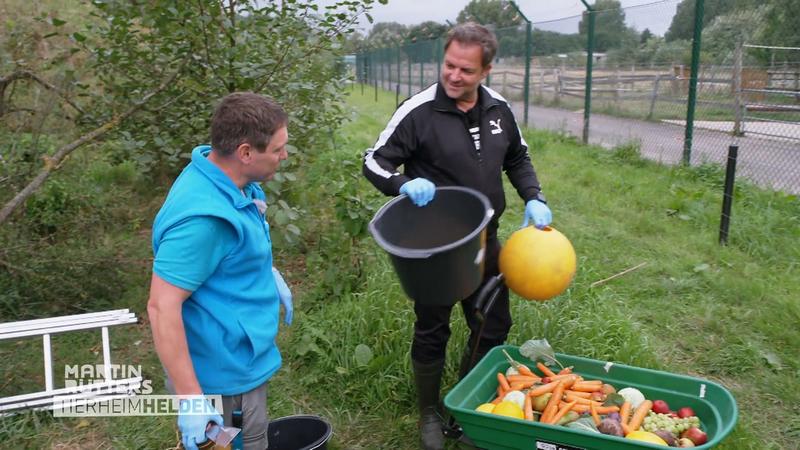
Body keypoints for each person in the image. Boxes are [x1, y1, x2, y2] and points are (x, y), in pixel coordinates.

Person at [362, 23, 552, 450]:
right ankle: (429, 411)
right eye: (449, 65)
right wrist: (400, 185)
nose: (453, 75)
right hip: (436, 248)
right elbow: (374, 161)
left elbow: (518, 158)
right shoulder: (418, 111)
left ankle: (464, 405)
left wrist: (534, 197)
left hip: (485, 239)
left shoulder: (500, 109)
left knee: (493, 322)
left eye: (465, 69)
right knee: (433, 326)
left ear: (486, 69)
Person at [147, 92, 294, 450]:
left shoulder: (224, 177)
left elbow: (225, 252)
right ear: (245, 153)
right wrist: (192, 400)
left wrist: (263, 269)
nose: (284, 155)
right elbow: (161, 306)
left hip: (239, 356)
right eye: (277, 149)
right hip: (223, 380)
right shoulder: (203, 221)